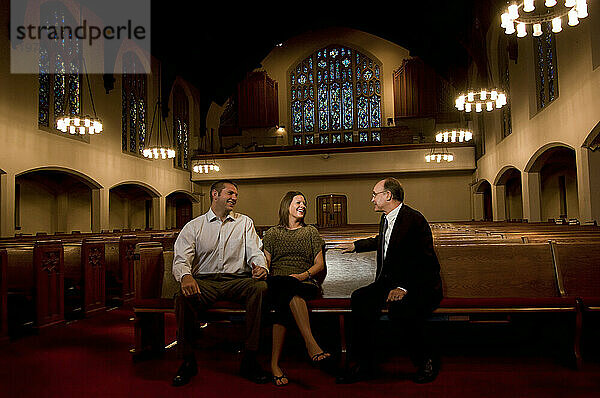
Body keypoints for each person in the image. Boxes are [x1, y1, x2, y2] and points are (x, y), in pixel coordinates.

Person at [336, 177, 443, 384]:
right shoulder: (386, 218)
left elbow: (425, 261)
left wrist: (403, 287)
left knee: (401, 308)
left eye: (375, 194)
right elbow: (385, 240)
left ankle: (425, 361)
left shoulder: (414, 219)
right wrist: (357, 245)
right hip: (389, 282)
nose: (372, 199)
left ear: (388, 195)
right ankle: (364, 364)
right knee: (360, 299)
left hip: (418, 285)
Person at [171, 180, 270, 387]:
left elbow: (255, 252)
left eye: (236, 195)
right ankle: (187, 361)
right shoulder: (194, 226)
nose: (234, 198)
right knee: (182, 297)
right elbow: (181, 258)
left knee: (260, 288)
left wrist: (260, 266)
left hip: (236, 281)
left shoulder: (244, 223)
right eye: (230, 193)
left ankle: (250, 358)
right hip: (205, 282)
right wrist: (185, 276)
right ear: (214, 194)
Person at [262, 191, 332, 386]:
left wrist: (301, 276)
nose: (303, 206)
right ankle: (312, 345)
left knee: (286, 298)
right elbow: (266, 263)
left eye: (305, 203)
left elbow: (319, 264)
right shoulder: (273, 233)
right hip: (278, 282)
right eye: (298, 202)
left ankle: (274, 364)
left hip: (305, 283)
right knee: (285, 286)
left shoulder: (310, 232)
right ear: (287, 205)